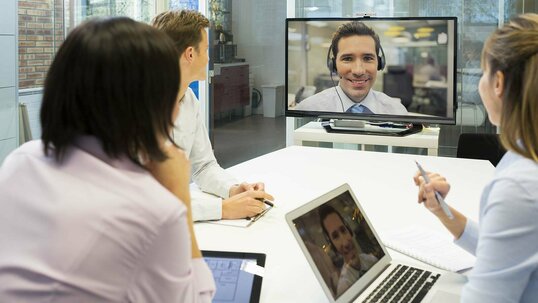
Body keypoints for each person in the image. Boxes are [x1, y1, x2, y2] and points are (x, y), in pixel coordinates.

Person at [0, 17, 215, 302]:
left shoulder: (20, 163)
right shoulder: (154, 211)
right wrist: (178, 198)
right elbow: (195, 298)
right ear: (147, 100)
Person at [413, 14, 538, 302]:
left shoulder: (519, 185)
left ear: (498, 83)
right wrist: (441, 210)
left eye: (482, 72)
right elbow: (509, 249)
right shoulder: (524, 157)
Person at [152, 10, 274, 221]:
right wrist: (222, 209)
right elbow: (150, 199)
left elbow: (204, 166)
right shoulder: (136, 108)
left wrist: (234, 190)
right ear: (190, 54)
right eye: (207, 49)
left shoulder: (188, 98)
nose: (209, 57)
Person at [294, 21, 408, 115]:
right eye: (347, 59)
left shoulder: (397, 111)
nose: (358, 71)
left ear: (379, 63)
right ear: (333, 65)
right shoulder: (308, 109)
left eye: (368, 58)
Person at [319, 205, 378, 296]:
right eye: (335, 236)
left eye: (343, 230)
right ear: (333, 246)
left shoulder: (372, 260)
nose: (345, 243)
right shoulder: (344, 289)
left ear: (349, 231)